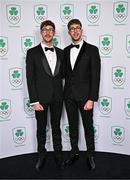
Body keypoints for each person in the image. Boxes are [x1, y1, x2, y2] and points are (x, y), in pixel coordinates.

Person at [26, 20, 64, 171]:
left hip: (58, 98)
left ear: (54, 33)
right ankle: (41, 155)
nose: (48, 32)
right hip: (40, 99)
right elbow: (30, 78)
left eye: (51, 30)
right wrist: (34, 101)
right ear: (41, 33)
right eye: (45, 30)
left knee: (56, 128)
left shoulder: (61, 52)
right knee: (41, 129)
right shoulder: (32, 52)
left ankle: (58, 155)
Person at [64, 19, 101, 170]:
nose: (75, 31)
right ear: (68, 32)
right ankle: (74, 152)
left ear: (82, 30)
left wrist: (92, 98)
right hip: (69, 96)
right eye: (72, 29)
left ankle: (90, 154)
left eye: (77, 28)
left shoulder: (92, 49)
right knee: (73, 126)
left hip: (86, 98)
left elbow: (96, 75)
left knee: (88, 127)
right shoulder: (65, 51)